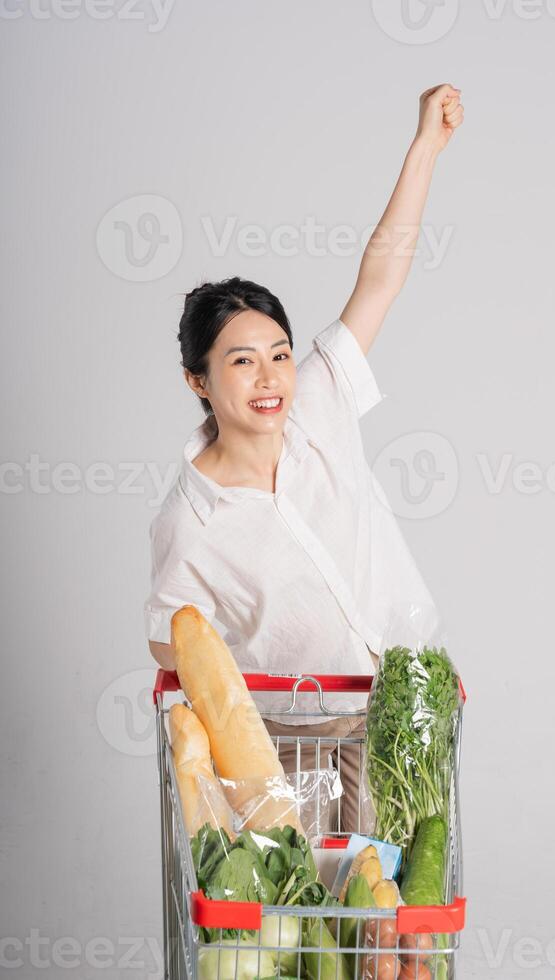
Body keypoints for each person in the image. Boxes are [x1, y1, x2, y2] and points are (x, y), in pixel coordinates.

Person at [145, 83, 464, 834]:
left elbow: (380, 277)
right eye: (242, 362)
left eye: (279, 355)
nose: (269, 379)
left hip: (399, 714)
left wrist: (423, 149)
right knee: (314, 932)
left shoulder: (319, 400)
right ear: (198, 380)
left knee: (397, 926)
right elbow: (169, 632)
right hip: (295, 750)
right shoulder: (191, 520)